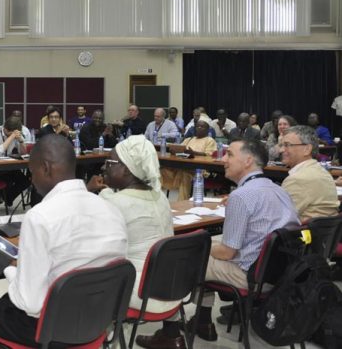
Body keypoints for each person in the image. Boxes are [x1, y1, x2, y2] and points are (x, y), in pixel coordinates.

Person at [0, 134, 128, 349]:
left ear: (46, 168)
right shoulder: (112, 210)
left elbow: (30, 303)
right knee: (3, 301)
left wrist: (8, 269)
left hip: (48, 328)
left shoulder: (40, 216)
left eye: (32, 172)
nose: (31, 179)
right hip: (96, 322)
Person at [136, 139, 299, 348]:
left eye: (229, 154)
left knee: (179, 258)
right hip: (279, 274)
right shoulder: (278, 189)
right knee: (209, 244)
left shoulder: (242, 196)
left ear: (248, 161)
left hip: (248, 276)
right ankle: (203, 321)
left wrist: (198, 248)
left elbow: (226, 253)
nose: (223, 159)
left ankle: (170, 333)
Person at [86, 135, 176, 314]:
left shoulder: (112, 201)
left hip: (141, 294)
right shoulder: (161, 197)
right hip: (173, 289)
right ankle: (172, 334)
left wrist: (87, 191)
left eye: (109, 162)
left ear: (127, 170)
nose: (103, 167)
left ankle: (106, 340)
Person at [279, 125, 339, 222]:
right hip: (323, 234)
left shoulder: (298, 179)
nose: (281, 150)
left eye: (287, 145)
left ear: (307, 149)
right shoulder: (321, 170)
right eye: (281, 145)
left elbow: (279, 219)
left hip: (304, 235)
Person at [161, 121, 217, 201]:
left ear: (208, 130)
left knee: (185, 174)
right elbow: (181, 149)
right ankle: (157, 201)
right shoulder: (189, 139)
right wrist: (174, 151)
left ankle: (182, 202)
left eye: (202, 127)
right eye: (197, 126)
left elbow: (209, 156)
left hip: (198, 170)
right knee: (162, 171)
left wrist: (194, 153)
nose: (199, 128)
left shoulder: (210, 140)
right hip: (182, 165)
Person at [0, 117, 32, 208]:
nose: (13, 135)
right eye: (10, 133)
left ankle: (6, 197)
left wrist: (21, 141)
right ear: (5, 128)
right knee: (8, 180)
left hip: (8, 166)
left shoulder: (16, 133)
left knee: (25, 181)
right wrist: (11, 137)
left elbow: (23, 153)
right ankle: (2, 197)